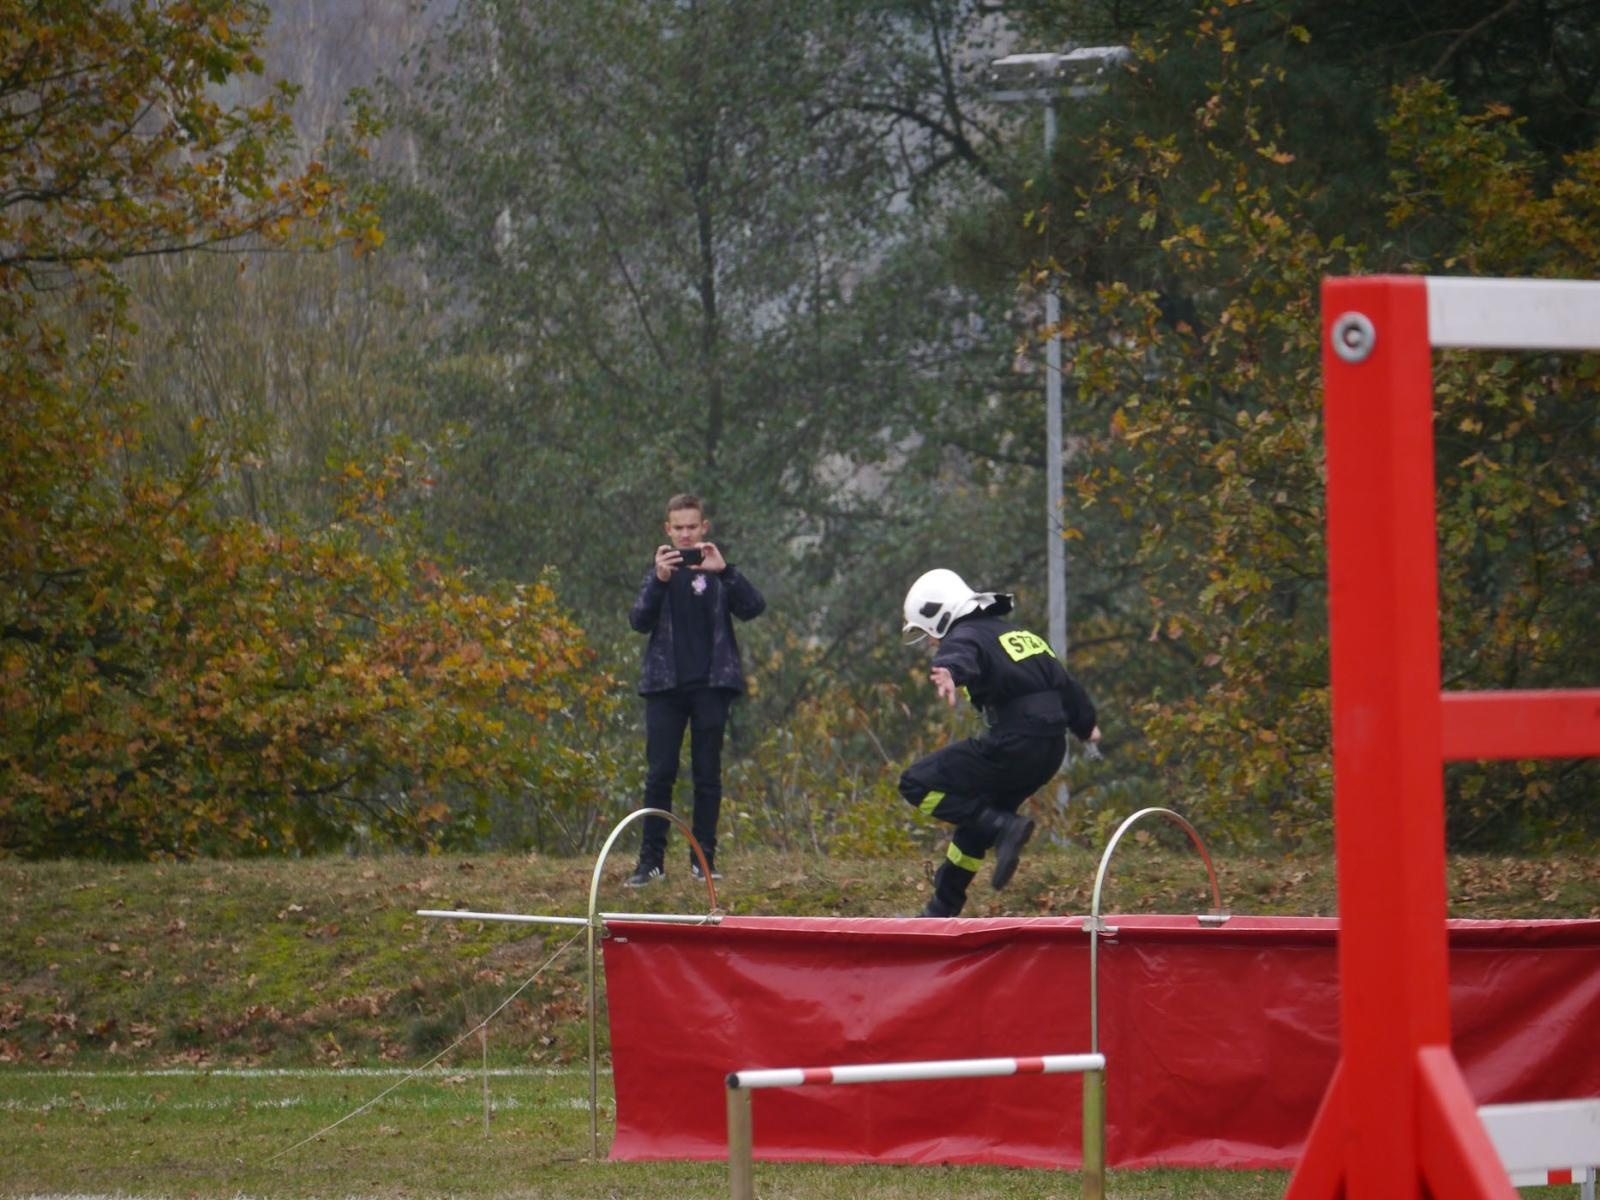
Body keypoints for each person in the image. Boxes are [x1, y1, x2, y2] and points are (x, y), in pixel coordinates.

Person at [897, 568, 1100, 917]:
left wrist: (948, 670)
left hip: (1015, 743)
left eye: (930, 634)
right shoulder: (1019, 635)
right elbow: (1065, 684)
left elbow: (959, 652)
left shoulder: (966, 634)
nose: (932, 642)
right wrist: (1086, 725)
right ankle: (941, 910)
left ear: (943, 615)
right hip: (1050, 749)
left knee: (915, 783)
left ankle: (1002, 827)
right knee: (977, 825)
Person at [625, 493, 765, 886]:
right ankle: (650, 863)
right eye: (679, 528)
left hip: (712, 685)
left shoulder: (719, 572)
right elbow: (638, 620)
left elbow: (754, 607)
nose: (686, 535)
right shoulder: (659, 573)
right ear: (667, 531)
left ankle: (702, 861)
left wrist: (726, 572)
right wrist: (659, 579)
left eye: (692, 527)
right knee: (660, 774)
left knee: (708, 775)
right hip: (665, 686)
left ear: (704, 528)